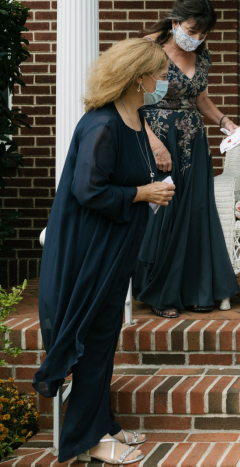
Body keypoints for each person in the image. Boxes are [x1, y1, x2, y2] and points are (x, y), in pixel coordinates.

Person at [33, 39, 175, 464]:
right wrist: (141, 193)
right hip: (91, 250)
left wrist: (146, 191)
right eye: (160, 76)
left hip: (117, 247)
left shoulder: (135, 115)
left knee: (105, 336)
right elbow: (87, 190)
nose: (163, 83)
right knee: (93, 340)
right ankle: (85, 440)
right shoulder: (102, 125)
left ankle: (103, 423)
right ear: (138, 79)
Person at [134, 0, 239, 318]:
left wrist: (224, 123)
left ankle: (197, 290)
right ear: (176, 22)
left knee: (195, 212)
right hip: (157, 140)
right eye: (193, 30)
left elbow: (200, 98)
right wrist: (152, 143)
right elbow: (131, 100)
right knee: (165, 211)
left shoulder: (202, 53)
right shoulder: (148, 48)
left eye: (204, 33)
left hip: (194, 141)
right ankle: (161, 293)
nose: (197, 37)